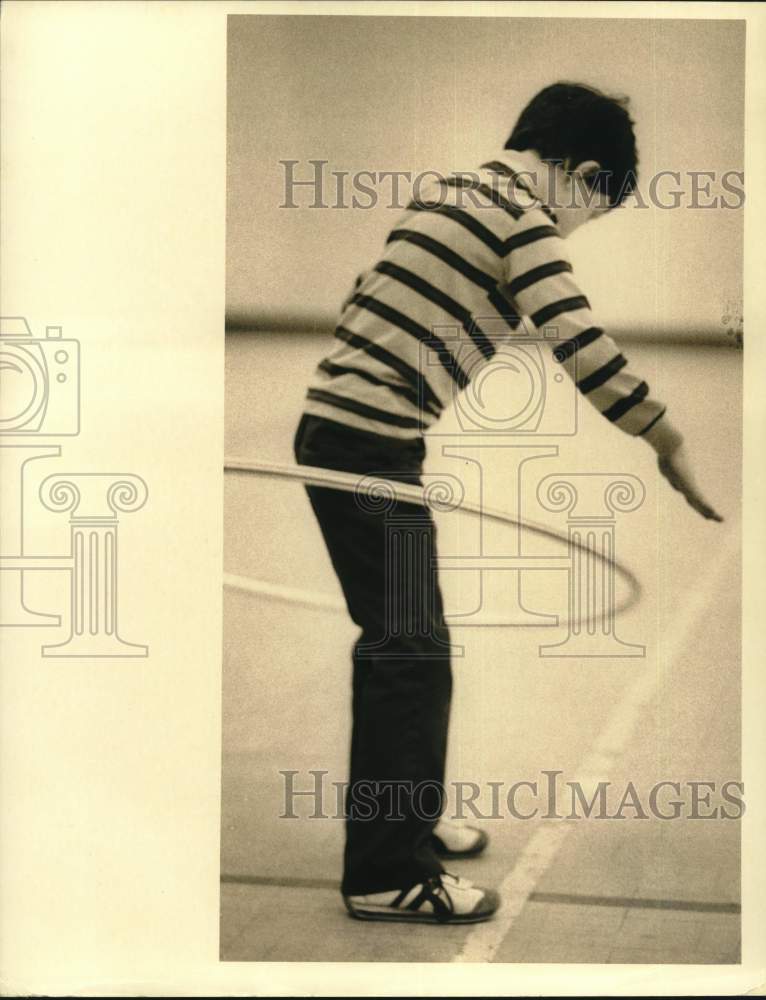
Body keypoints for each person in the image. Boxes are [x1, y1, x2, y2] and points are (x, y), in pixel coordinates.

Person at [293, 82, 722, 925]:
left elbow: (361, 290)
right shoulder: (525, 218)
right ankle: (385, 871)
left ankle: (406, 818)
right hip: (369, 445)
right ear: (582, 174)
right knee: (409, 650)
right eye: (591, 215)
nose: (574, 234)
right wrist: (666, 437)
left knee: (408, 643)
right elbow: (577, 337)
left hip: (339, 430)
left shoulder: (450, 191)